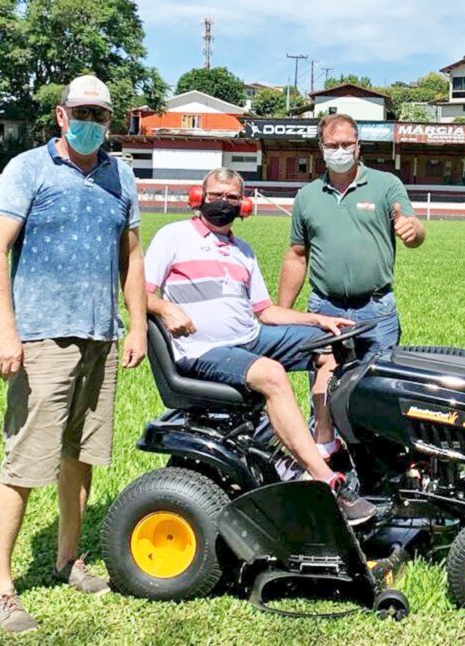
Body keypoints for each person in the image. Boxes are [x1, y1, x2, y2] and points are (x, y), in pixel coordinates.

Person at [0, 75, 147, 633]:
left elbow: (133, 257)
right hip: (42, 336)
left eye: (101, 113)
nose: (92, 121)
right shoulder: (28, 168)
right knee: (25, 463)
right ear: (60, 114)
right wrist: (5, 331)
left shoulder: (121, 176)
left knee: (81, 455)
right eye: (83, 112)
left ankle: (68, 558)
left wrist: (137, 326)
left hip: (101, 334)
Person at [144, 167, 377, 526]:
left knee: (330, 347)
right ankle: (322, 478)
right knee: (271, 373)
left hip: (247, 338)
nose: (223, 203)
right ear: (199, 197)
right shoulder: (172, 237)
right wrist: (165, 307)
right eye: (215, 195)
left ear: (244, 205)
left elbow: (266, 312)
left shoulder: (243, 251)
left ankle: (323, 440)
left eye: (232, 198)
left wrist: (319, 321)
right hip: (201, 350)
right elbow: (138, 295)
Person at [278, 113, 426, 357]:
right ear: (321, 148)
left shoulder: (386, 185)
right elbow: (296, 255)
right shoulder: (307, 196)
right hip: (324, 309)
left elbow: (415, 230)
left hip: (377, 310)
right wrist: (282, 313)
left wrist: (414, 231)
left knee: (377, 388)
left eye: (347, 144)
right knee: (325, 387)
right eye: (332, 146)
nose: (340, 151)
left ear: (358, 146)